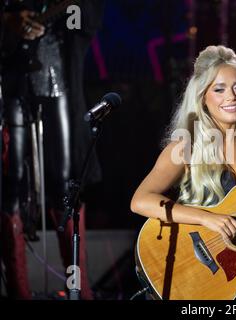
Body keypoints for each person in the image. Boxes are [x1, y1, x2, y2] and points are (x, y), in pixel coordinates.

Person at [131, 45, 236, 300]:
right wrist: (206, 218)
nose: (231, 97)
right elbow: (140, 200)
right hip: (207, 279)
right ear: (203, 97)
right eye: (219, 89)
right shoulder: (185, 146)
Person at [0, 0, 104, 299]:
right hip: (12, 83)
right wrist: (9, 21)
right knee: (12, 187)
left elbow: (87, 17)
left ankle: (78, 287)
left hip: (59, 81)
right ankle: (19, 290)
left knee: (68, 184)